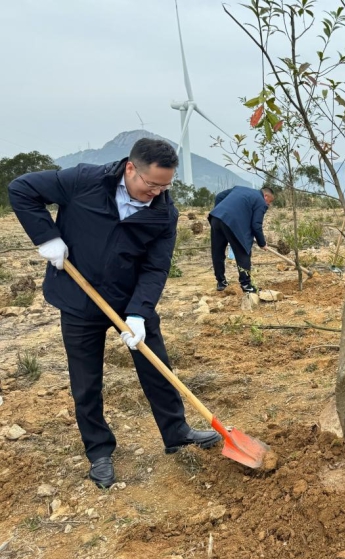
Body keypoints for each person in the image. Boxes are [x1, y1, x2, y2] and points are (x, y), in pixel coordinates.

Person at [8, 138, 221, 489]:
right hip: (78, 298)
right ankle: (99, 450)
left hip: (129, 299)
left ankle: (176, 431)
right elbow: (22, 188)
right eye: (150, 184)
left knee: (157, 366)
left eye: (165, 186)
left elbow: (155, 268)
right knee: (86, 380)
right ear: (130, 168)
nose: (156, 192)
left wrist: (138, 313)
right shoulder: (83, 181)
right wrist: (47, 238)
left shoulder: (164, 213)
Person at [208, 185, 275, 293]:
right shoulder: (261, 201)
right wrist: (262, 243)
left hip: (216, 217)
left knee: (217, 251)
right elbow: (256, 225)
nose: (268, 204)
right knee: (243, 251)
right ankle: (246, 285)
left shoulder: (239, 188)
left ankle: (221, 282)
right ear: (266, 196)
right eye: (269, 201)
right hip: (233, 223)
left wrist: (219, 211)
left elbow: (219, 196)